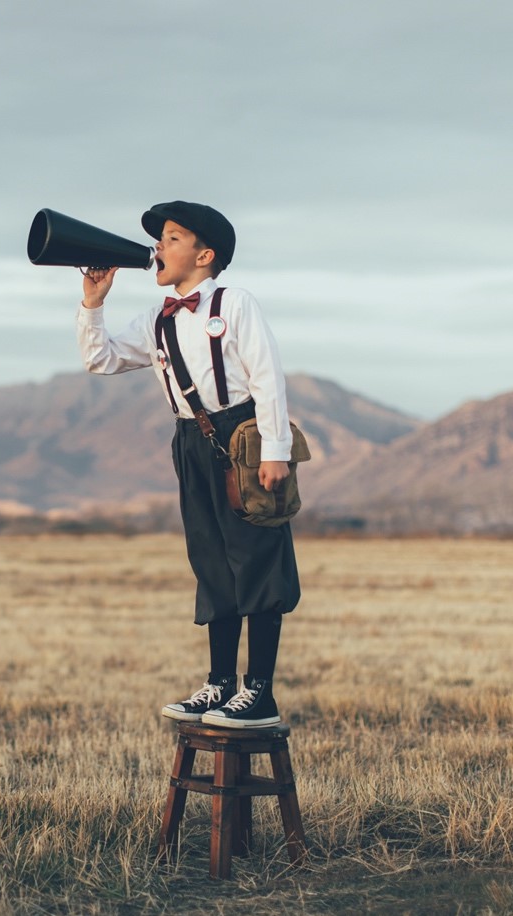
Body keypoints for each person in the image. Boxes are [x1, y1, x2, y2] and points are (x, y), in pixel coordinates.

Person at [76, 201, 300, 729]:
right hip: (191, 443)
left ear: (204, 255)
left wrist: (275, 452)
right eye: (160, 238)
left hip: (243, 436)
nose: (158, 246)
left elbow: (267, 375)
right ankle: (220, 684)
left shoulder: (235, 301)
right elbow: (100, 358)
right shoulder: (156, 317)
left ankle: (259, 693)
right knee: (212, 560)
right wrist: (92, 304)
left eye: (172, 238)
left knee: (257, 559)